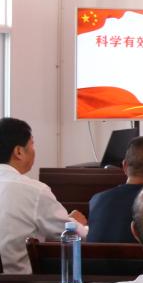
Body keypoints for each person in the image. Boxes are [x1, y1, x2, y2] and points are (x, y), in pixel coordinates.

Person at [0, 117, 87, 273]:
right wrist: (74, 223)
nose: (34, 150)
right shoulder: (34, 191)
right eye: (32, 144)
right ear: (19, 152)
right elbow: (74, 235)